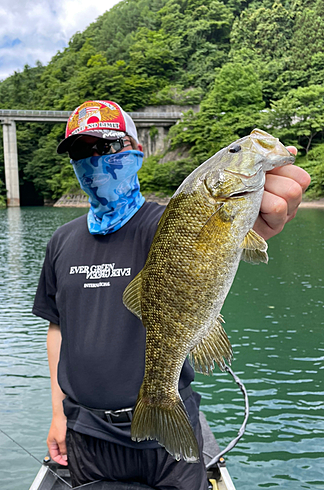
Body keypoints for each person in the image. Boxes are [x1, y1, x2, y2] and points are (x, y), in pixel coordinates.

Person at [32, 100, 310, 489]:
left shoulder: (168, 221)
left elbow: (220, 237)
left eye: (109, 147)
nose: (95, 160)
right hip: (86, 432)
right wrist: (57, 414)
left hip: (169, 441)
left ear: (136, 150)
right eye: (82, 151)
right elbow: (57, 330)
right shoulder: (61, 241)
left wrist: (259, 214)